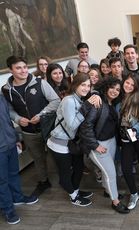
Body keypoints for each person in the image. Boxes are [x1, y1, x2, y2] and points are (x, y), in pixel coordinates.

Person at [1, 56, 60, 197]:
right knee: (38, 159)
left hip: (48, 129)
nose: (23, 71)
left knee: (58, 157)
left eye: (25, 67)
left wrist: (41, 114)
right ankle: (44, 182)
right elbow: (8, 110)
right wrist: (18, 118)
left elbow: (56, 101)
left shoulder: (40, 83)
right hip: (28, 132)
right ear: (11, 70)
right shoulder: (5, 90)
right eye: (18, 68)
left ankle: (66, 181)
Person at [79, 77, 129, 213]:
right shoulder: (98, 101)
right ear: (106, 87)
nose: (114, 91)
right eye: (112, 87)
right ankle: (115, 202)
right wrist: (95, 146)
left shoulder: (112, 102)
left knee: (107, 171)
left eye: (118, 89)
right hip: (98, 144)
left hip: (111, 141)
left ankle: (108, 191)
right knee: (111, 173)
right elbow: (85, 127)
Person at [47, 73, 93, 207]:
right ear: (75, 85)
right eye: (83, 85)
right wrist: (86, 108)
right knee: (65, 173)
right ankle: (73, 197)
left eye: (88, 85)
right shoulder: (68, 101)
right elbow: (72, 125)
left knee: (78, 168)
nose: (86, 88)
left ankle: (76, 190)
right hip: (59, 144)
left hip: (72, 143)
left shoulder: (78, 99)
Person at [0, 94, 39, 225]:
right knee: (2, 181)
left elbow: (7, 121)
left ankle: (17, 197)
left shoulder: (1, 97)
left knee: (13, 174)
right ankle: (7, 209)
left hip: (10, 143)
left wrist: (16, 139)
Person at [119, 73, 139, 210]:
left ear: (136, 87)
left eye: (132, 84)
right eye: (127, 83)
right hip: (124, 138)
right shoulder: (118, 98)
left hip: (138, 136)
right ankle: (133, 192)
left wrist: (135, 130)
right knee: (126, 167)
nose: (129, 86)